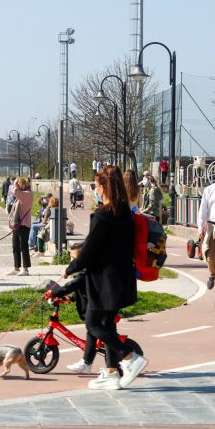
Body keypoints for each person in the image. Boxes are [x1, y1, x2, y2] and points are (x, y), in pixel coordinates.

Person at [61, 165, 148, 390]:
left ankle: (129, 357)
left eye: (96, 186)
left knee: (92, 323)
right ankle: (111, 373)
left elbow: (90, 248)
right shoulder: (125, 213)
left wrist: (71, 268)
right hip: (122, 277)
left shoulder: (102, 215)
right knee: (107, 324)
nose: (95, 190)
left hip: (104, 280)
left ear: (104, 187)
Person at [46, 242, 100, 373]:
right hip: (93, 306)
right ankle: (88, 363)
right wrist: (69, 298)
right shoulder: (85, 272)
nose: (72, 262)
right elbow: (82, 291)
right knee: (93, 332)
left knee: (94, 332)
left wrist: (53, 292)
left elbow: (71, 286)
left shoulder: (84, 273)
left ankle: (87, 363)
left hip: (95, 308)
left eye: (74, 259)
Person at [7, 177, 33, 276]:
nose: (15, 186)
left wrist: (14, 184)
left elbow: (14, 191)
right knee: (15, 246)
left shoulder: (28, 194)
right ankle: (16, 268)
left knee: (24, 247)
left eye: (17, 184)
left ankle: (25, 269)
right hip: (17, 224)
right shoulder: (21, 195)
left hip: (24, 225)